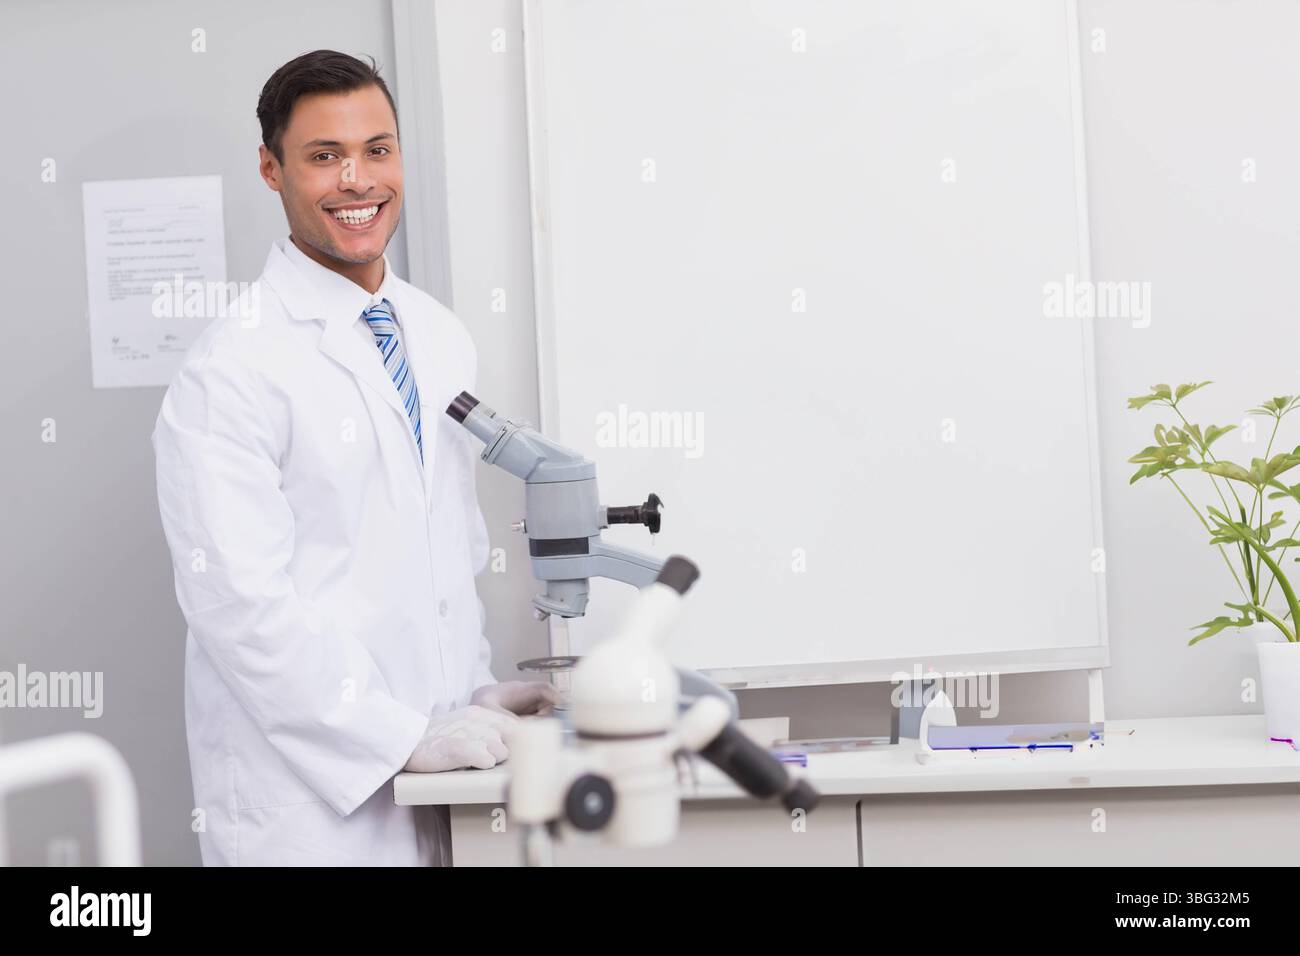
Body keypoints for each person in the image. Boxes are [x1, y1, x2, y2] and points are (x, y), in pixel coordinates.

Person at [152, 49, 558, 866]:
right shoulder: (230, 371)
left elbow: (436, 549)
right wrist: (401, 734)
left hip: (443, 782)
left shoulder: (438, 335)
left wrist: (470, 690)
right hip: (309, 810)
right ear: (272, 170)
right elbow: (243, 611)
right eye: (324, 156)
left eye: (377, 149)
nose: (358, 180)